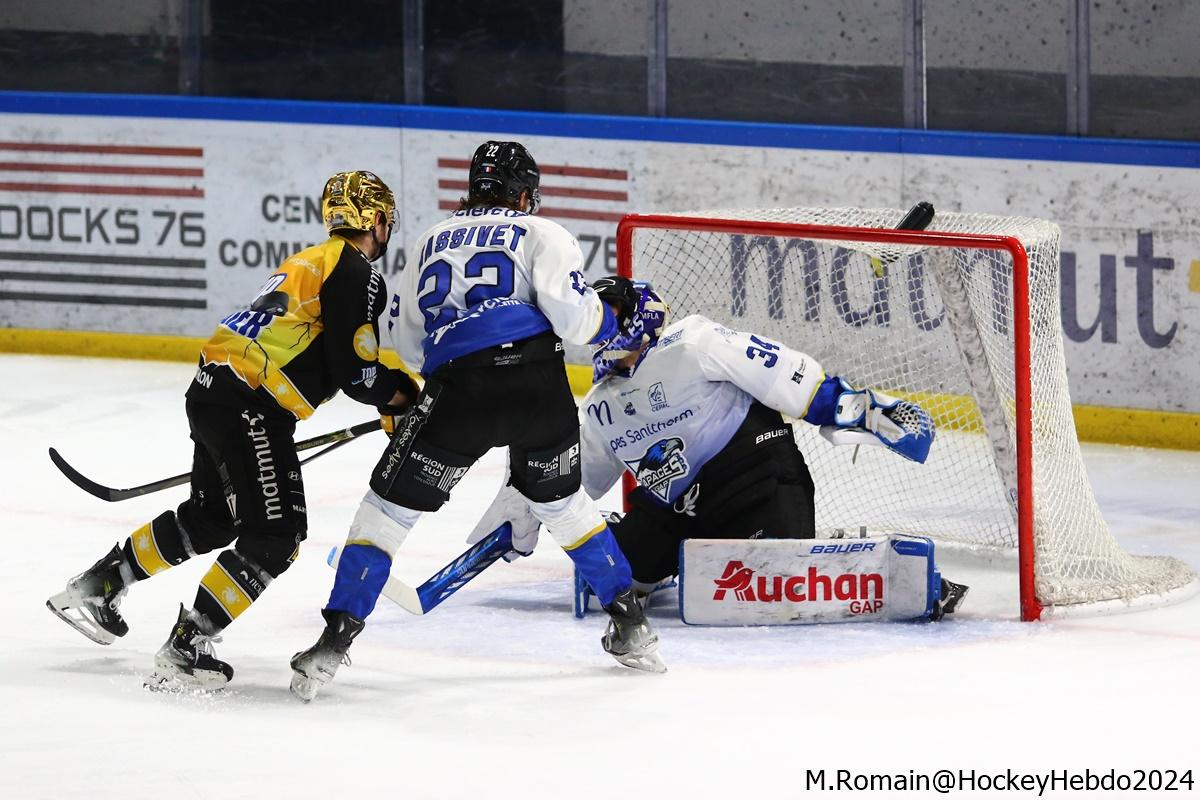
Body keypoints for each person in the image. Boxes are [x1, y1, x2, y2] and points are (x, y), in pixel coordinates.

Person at [289, 141, 665, 702]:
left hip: (459, 393)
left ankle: (331, 644)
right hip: (539, 392)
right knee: (566, 508)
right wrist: (610, 316)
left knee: (385, 513)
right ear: (522, 194)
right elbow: (578, 323)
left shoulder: (428, 241)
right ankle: (632, 627)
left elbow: (408, 344)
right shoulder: (544, 233)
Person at [47, 171, 417, 689]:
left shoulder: (309, 260)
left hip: (211, 389)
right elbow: (358, 374)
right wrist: (405, 397)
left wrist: (387, 398)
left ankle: (101, 582)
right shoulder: (356, 271)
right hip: (251, 405)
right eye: (385, 219)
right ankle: (188, 643)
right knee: (277, 536)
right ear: (375, 219)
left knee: (212, 518)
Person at [470, 277, 968, 617]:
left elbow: (782, 373)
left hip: (756, 483)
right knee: (611, 579)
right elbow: (570, 476)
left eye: (613, 312)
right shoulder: (601, 404)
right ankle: (665, 562)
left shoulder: (693, 342)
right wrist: (523, 509)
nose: (605, 326)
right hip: (675, 511)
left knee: (775, 588)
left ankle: (881, 568)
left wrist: (857, 409)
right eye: (598, 318)